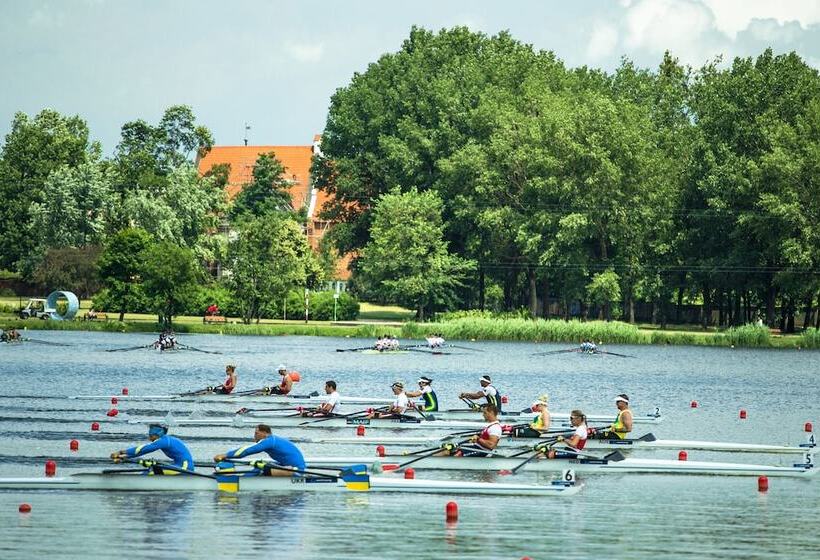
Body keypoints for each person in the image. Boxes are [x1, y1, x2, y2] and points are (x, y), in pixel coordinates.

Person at [214, 424, 305, 476]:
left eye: (256, 433)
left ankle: (241, 482)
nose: (254, 436)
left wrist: (225, 455)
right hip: (288, 466)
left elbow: (247, 451)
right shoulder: (273, 440)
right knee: (259, 466)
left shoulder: (270, 441)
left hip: (296, 470)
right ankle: (243, 480)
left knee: (260, 470)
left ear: (265, 433)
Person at [110, 424, 194, 473]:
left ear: (158, 434)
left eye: (151, 435)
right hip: (179, 465)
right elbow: (141, 452)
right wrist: (124, 457)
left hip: (185, 468)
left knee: (150, 472)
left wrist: (120, 453)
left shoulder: (164, 441)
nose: (149, 438)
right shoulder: (166, 439)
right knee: (151, 470)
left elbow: (144, 449)